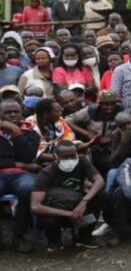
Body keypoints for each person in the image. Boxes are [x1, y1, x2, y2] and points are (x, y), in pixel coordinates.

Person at [30, 140, 104, 251]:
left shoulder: (82, 161)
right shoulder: (46, 173)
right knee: (49, 221)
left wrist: (84, 201)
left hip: (79, 210)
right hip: (57, 212)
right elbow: (35, 207)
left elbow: (99, 180)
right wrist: (69, 214)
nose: (70, 160)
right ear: (55, 156)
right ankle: (54, 240)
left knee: (98, 196)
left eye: (73, 156)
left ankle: (84, 237)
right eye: (65, 157)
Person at [0, 99, 41, 253]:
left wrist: (16, 132)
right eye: (7, 112)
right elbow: (25, 162)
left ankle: (19, 235)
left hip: (23, 176)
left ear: (22, 112)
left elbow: (28, 155)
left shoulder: (30, 133)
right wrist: (20, 164)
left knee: (29, 188)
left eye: (16, 112)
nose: (12, 115)